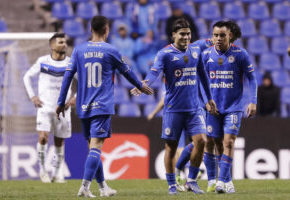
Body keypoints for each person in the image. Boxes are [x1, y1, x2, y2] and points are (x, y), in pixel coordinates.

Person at [56, 15, 154, 198]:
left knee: (93, 147)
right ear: (106, 30)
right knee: (96, 148)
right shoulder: (111, 51)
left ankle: (103, 187)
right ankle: (84, 187)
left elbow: (67, 77)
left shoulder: (78, 50)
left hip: (83, 106)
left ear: (91, 29)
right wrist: (140, 85)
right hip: (101, 106)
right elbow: (128, 72)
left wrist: (61, 102)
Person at [131, 18, 217, 195]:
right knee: (170, 147)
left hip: (194, 108)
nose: (186, 37)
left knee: (202, 141)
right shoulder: (165, 54)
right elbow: (155, 71)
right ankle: (171, 185)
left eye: (188, 34)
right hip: (173, 108)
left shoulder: (195, 49)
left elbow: (203, 75)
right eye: (182, 34)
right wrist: (143, 84)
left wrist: (208, 99)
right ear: (173, 35)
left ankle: (191, 180)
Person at [173, 21, 244, 192]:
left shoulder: (227, 51)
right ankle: (180, 170)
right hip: (198, 97)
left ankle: (216, 180)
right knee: (205, 140)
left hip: (212, 98)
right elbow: (187, 54)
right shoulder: (202, 46)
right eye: (220, 36)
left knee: (210, 140)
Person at [202, 21, 257, 193]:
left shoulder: (240, 54)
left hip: (233, 106)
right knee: (216, 143)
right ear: (212, 36)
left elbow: (252, 78)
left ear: (229, 36)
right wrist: (205, 102)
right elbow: (200, 83)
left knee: (229, 142)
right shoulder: (206, 55)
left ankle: (220, 181)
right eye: (216, 35)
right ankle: (228, 180)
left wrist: (253, 101)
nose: (218, 38)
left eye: (222, 35)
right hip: (213, 108)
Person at [23, 33, 75, 183]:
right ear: (52, 45)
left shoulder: (71, 64)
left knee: (59, 141)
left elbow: (84, 82)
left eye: (65, 42)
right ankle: (43, 171)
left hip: (63, 110)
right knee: (43, 137)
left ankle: (57, 174)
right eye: (60, 42)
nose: (64, 44)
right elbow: (26, 77)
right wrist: (33, 96)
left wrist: (74, 98)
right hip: (45, 108)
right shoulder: (42, 61)